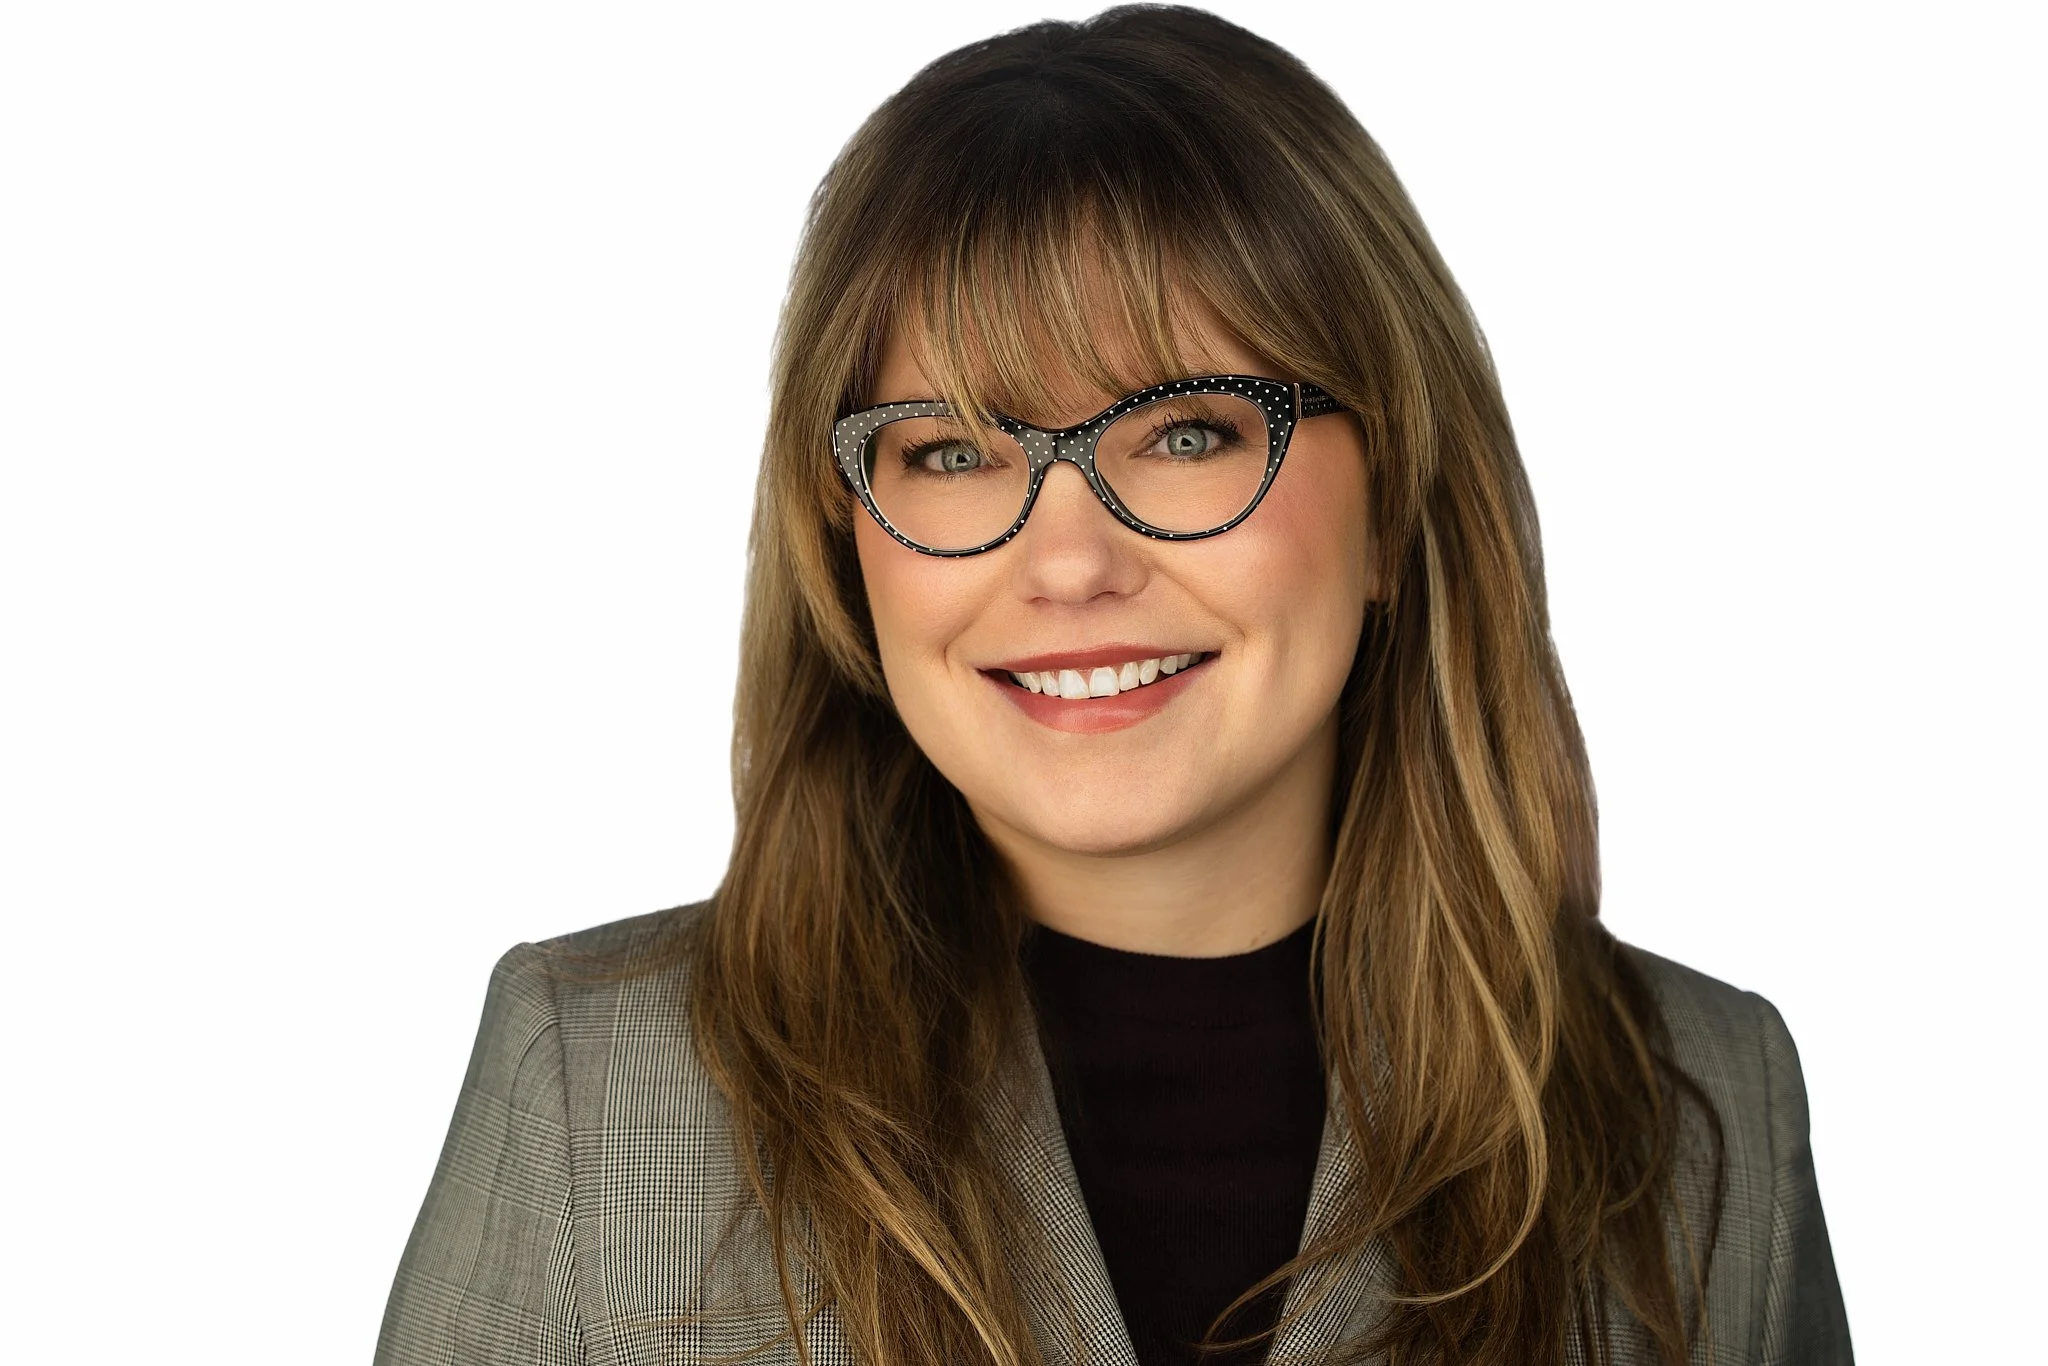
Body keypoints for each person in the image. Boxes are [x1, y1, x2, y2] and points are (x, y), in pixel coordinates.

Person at [375, 7, 1851, 1364]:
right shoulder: (591, 1088)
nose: (1066, 559)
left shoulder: (1704, 1115)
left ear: (1394, 499)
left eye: (1189, 432)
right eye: (952, 451)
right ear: (850, 537)